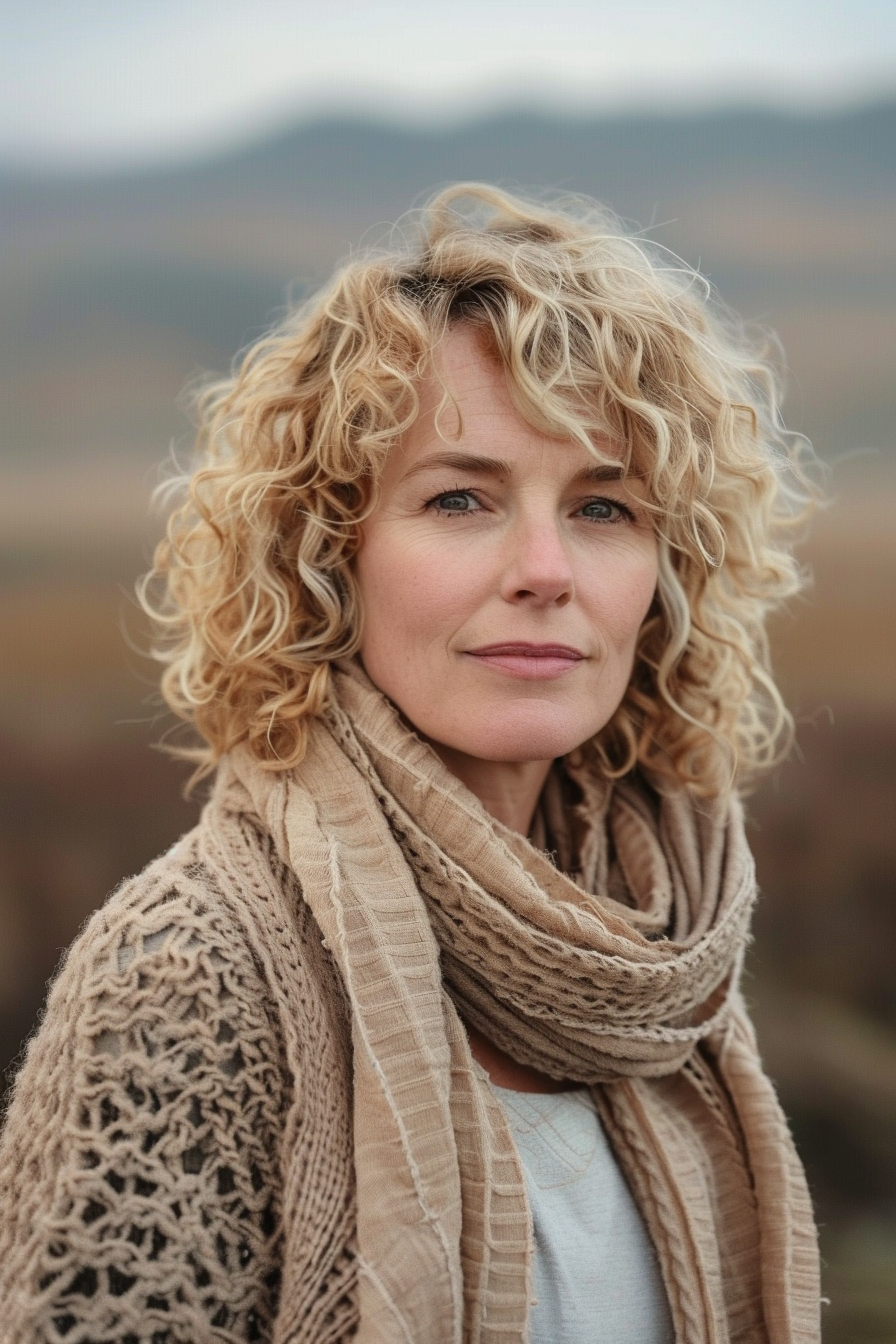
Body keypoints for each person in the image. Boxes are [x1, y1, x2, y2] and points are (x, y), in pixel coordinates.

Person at [0, 184, 821, 1343]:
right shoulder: (189, 977)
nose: (545, 567)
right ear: (327, 556)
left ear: (664, 570)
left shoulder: (658, 952)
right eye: (458, 499)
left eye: (601, 507)